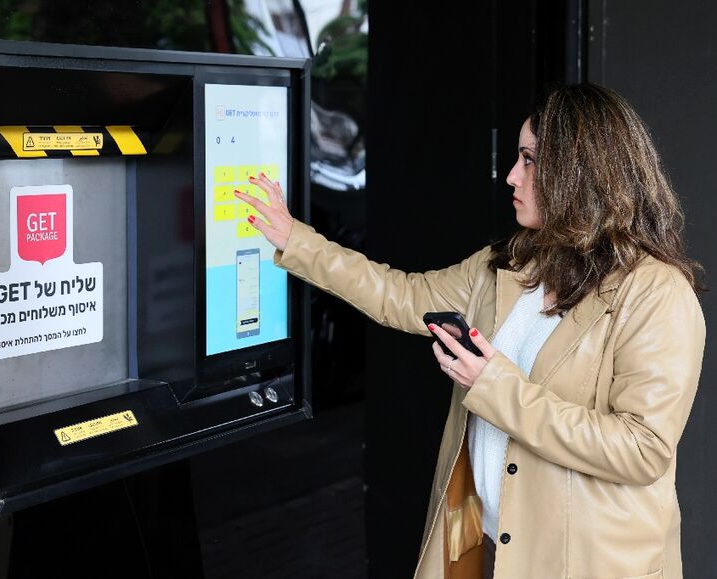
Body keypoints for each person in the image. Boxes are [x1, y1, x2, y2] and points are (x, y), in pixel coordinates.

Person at [234, 83, 705, 579]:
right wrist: (295, 240)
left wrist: (494, 386)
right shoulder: (511, 264)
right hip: (488, 550)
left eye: (529, 160)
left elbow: (641, 449)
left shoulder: (654, 292)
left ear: (579, 173)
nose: (511, 177)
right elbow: (400, 295)